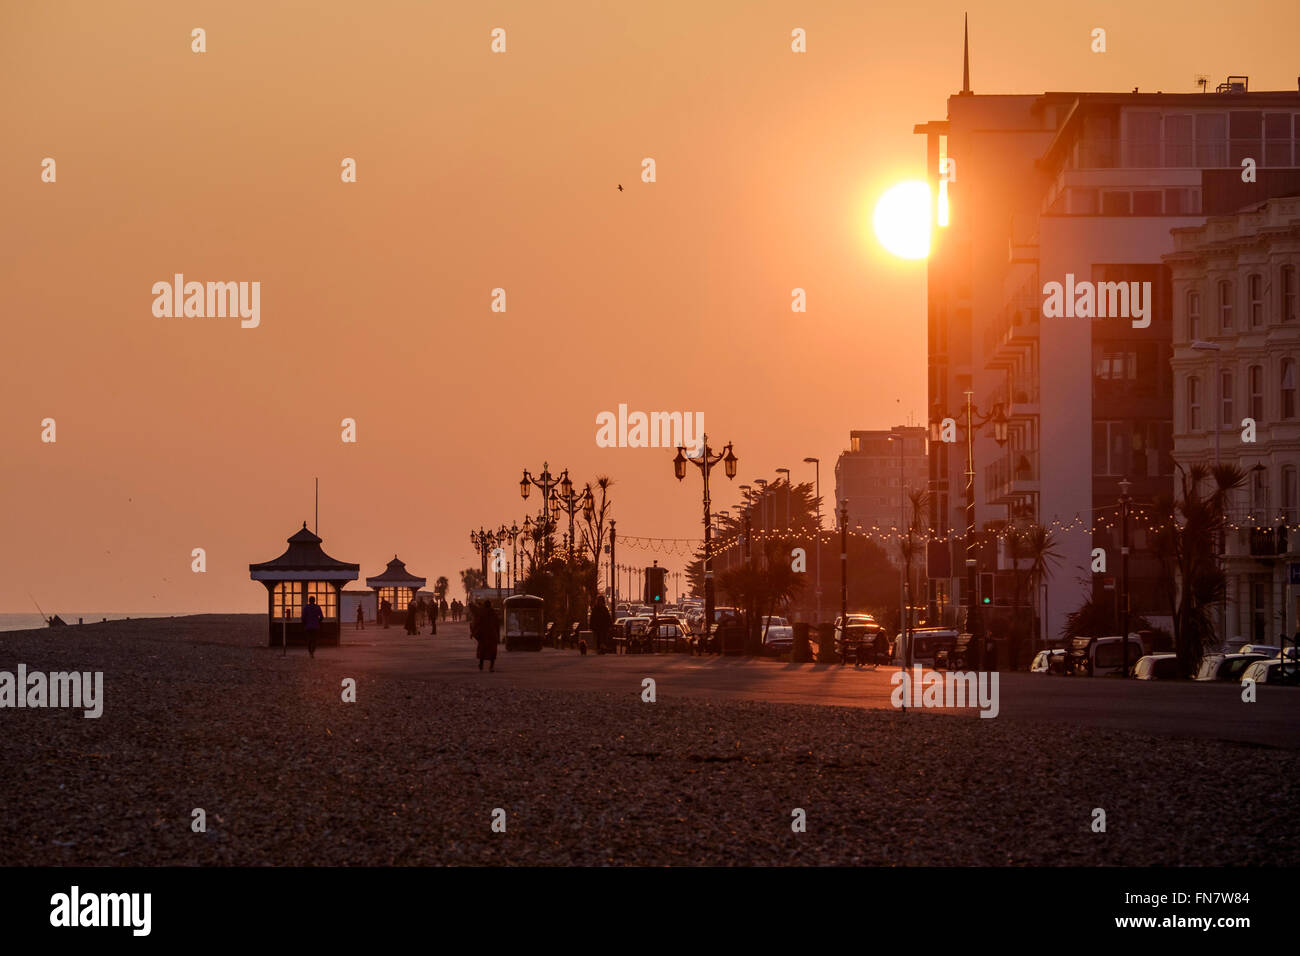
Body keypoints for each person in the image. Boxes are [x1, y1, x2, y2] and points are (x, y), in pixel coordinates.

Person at [475, 599, 499, 672]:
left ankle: (481, 665)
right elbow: (497, 624)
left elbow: (478, 623)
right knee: (492, 651)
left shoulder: (482, 613)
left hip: (483, 635)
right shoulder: (494, 613)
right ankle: (491, 667)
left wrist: (474, 632)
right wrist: (497, 635)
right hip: (492, 635)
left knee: (482, 650)